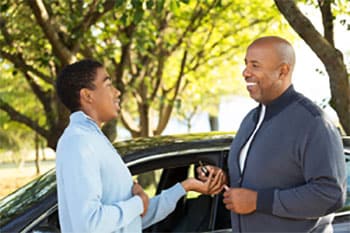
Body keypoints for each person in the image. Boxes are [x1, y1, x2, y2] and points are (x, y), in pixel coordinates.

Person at [55, 59, 224, 233]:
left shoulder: (95, 140)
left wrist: (186, 186)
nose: (117, 92)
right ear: (87, 95)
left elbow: (134, 221)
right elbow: (88, 225)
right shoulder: (78, 141)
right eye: (108, 85)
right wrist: (137, 203)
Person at [198, 36, 347, 232]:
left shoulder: (314, 123)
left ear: (282, 71)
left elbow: (330, 195)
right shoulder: (250, 119)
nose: (245, 72)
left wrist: (258, 201)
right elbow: (260, 176)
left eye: (255, 65)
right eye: (246, 64)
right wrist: (223, 177)